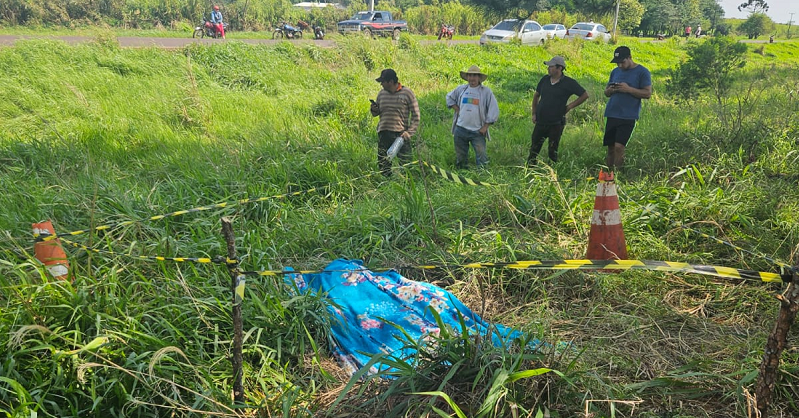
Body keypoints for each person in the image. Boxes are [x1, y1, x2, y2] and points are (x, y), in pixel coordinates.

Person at [527, 56, 589, 166]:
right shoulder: (545, 80)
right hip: (541, 120)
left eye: (551, 66)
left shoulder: (569, 83)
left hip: (556, 122)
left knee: (553, 149)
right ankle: (530, 168)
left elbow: (584, 95)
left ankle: (552, 171)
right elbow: (536, 96)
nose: (548, 68)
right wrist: (534, 113)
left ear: (559, 68)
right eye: (548, 66)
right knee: (534, 148)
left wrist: (570, 106)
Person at [602, 46, 652, 171]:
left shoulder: (642, 72)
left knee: (619, 146)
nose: (620, 65)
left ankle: (618, 173)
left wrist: (628, 89)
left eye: (622, 62)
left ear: (630, 57)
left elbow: (647, 93)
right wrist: (611, 90)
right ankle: (609, 173)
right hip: (612, 112)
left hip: (628, 115)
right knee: (611, 147)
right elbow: (606, 93)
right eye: (617, 63)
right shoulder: (615, 72)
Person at [445, 65, 499, 169]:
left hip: (478, 131)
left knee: (481, 156)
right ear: (467, 77)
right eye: (470, 75)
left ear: (479, 78)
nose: (472, 78)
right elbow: (449, 97)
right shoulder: (461, 89)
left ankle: (482, 176)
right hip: (460, 129)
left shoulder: (486, 92)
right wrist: (457, 109)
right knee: (461, 155)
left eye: (474, 75)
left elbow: (494, 109)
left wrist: (485, 127)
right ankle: (462, 173)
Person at [370, 69, 420, 177]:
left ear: (391, 82)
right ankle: (386, 185)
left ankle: (408, 186)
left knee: (406, 165)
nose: (381, 84)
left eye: (383, 81)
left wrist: (409, 133)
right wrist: (374, 109)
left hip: (401, 135)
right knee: (383, 164)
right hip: (383, 133)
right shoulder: (381, 94)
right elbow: (376, 113)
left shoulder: (407, 93)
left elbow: (416, 116)